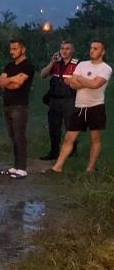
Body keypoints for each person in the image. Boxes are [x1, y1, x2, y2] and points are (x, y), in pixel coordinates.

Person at [46, 40, 111, 174]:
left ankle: (90, 169)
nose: (92, 50)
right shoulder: (82, 64)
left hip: (95, 106)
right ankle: (57, 167)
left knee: (95, 139)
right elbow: (72, 84)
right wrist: (85, 82)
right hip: (80, 106)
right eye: (91, 48)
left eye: (96, 48)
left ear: (103, 52)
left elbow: (95, 85)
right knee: (69, 137)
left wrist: (81, 80)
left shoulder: (106, 68)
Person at [0, 38, 35, 179]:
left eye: (15, 49)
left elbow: (18, 83)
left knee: (19, 136)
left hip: (20, 105)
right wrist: (11, 80)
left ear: (23, 49)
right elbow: (1, 82)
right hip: (7, 104)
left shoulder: (28, 65)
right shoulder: (9, 65)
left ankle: (22, 168)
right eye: (11, 49)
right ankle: (16, 166)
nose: (12, 52)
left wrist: (11, 81)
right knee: (13, 135)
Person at [38, 41, 78, 160]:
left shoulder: (77, 64)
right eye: (62, 49)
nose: (64, 51)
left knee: (70, 126)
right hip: (54, 100)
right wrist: (52, 62)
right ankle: (54, 151)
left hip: (69, 99)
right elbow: (42, 75)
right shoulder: (56, 64)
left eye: (67, 49)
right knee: (54, 126)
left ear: (72, 50)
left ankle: (72, 151)